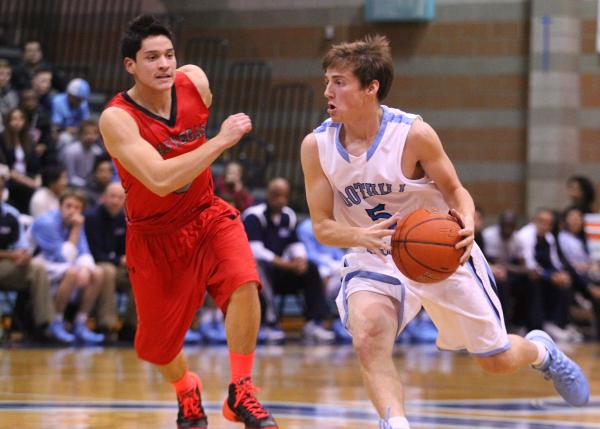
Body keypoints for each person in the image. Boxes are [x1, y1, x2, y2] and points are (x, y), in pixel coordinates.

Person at [299, 35, 589, 428]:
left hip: (439, 251)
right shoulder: (316, 146)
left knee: (496, 361)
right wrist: (361, 237)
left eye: (338, 82)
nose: (327, 91)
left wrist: (466, 221)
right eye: (327, 81)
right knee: (369, 340)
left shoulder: (413, 134)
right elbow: (322, 226)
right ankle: (395, 424)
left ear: (372, 88)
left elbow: (456, 192)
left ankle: (542, 352)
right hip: (372, 256)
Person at [98, 15, 277, 429]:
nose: (163, 64)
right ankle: (186, 388)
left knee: (244, 281)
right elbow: (160, 180)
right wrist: (220, 141)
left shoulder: (194, 81)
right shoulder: (117, 118)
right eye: (151, 58)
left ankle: (241, 390)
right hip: (155, 235)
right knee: (157, 347)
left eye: (169, 55)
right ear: (130, 65)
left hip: (206, 214)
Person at [243, 178, 334, 343]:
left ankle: (314, 323)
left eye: (284, 196)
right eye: (277, 196)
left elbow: (295, 244)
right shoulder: (254, 216)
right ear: (268, 195)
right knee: (260, 269)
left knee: (311, 269)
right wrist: (287, 264)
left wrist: (300, 260)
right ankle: (270, 324)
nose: (281, 200)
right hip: (259, 275)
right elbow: (255, 251)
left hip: (282, 272)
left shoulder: (288, 216)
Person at [30, 188, 105, 344]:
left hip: (60, 264)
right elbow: (62, 258)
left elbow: (83, 250)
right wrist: (76, 229)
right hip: (36, 263)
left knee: (97, 272)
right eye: (68, 206)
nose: (72, 211)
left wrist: (85, 268)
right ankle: (56, 321)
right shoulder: (47, 222)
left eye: (77, 208)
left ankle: (80, 322)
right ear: (60, 206)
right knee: (71, 272)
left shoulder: (76, 221)